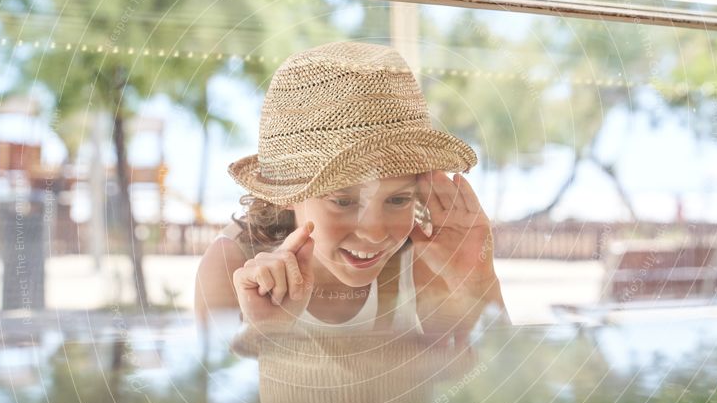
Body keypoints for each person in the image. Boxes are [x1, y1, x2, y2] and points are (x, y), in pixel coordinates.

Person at [194, 41, 510, 345]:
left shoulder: (423, 261)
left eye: (398, 200)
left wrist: (478, 280)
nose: (374, 233)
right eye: (343, 201)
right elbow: (211, 395)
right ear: (285, 191)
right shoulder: (231, 266)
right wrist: (268, 331)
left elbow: (490, 389)